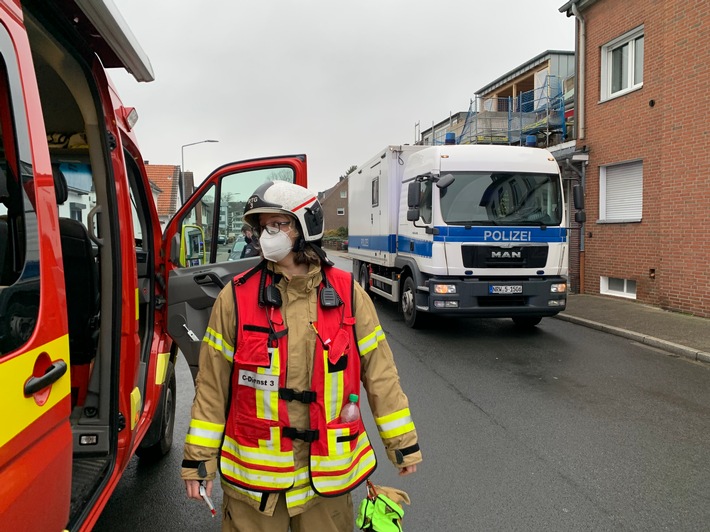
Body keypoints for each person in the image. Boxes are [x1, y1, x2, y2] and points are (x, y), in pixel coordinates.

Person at [181, 180, 422, 531]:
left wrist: (402, 443)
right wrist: (199, 460)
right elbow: (212, 386)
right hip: (255, 488)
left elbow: (381, 372)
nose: (267, 234)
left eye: (278, 224)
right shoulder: (235, 298)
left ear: (305, 225)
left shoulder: (348, 295)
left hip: (325, 482)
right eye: (262, 227)